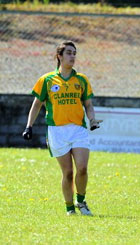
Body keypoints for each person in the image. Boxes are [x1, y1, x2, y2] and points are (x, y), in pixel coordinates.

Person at [22, 40, 102, 216]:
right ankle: (69, 208)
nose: (72, 56)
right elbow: (36, 105)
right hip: (57, 131)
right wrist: (29, 126)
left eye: (74, 53)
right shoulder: (47, 80)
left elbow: (88, 104)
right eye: (69, 53)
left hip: (78, 129)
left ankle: (81, 201)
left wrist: (92, 120)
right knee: (67, 173)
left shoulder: (81, 79)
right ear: (59, 56)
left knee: (82, 168)